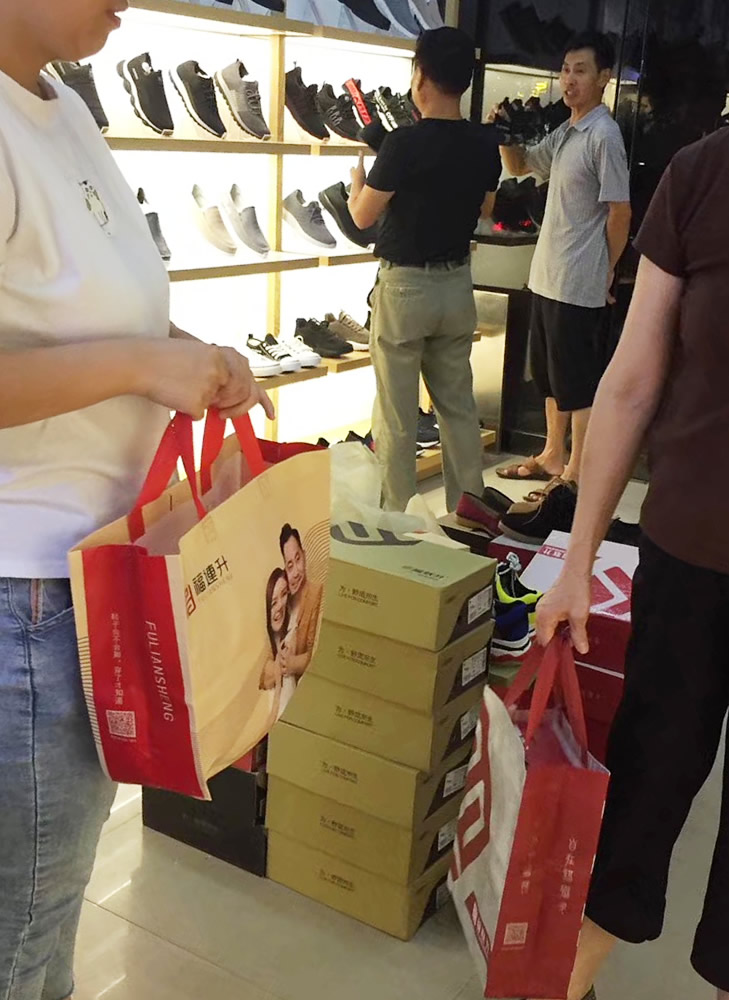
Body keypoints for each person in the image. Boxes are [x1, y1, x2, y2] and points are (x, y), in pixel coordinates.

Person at [0, 2, 273, 998]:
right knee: (23, 933)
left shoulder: (63, 106)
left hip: (93, 579)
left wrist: (189, 354)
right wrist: (141, 365)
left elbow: (90, 307)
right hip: (23, 592)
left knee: (44, 914)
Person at [534, 118, 729, 1000]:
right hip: (687, 561)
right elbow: (630, 382)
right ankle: (563, 981)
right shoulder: (704, 176)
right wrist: (576, 562)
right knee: (638, 797)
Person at [348, 27, 501, 513]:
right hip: (456, 285)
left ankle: (399, 521)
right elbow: (486, 209)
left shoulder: (402, 143)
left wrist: (356, 184)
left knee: (396, 416)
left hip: (405, 288)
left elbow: (362, 217)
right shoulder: (484, 143)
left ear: (420, 78)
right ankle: (469, 513)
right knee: (458, 408)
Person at [495, 31, 631, 488]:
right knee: (549, 377)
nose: (569, 80)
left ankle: (576, 472)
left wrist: (606, 270)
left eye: (580, 71)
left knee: (577, 381)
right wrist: (505, 133)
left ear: (603, 78)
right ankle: (553, 454)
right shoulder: (567, 131)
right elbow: (519, 165)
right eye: (565, 70)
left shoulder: (604, 136)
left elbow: (620, 211)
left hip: (578, 281)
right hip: (547, 275)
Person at [279, 524, 322, 679]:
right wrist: (278, 665)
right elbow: (266, 670)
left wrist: (292, 664)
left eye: (298, 559)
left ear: (304, 556)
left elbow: (316, 652)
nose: (296, 572)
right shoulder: (282, 603)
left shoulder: (316, 593)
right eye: (290, 566)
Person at [260, 568, 298, 716]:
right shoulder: (265, 654)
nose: (280, 605)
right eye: (273, 603)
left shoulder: (292, 635)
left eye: (284, 594)